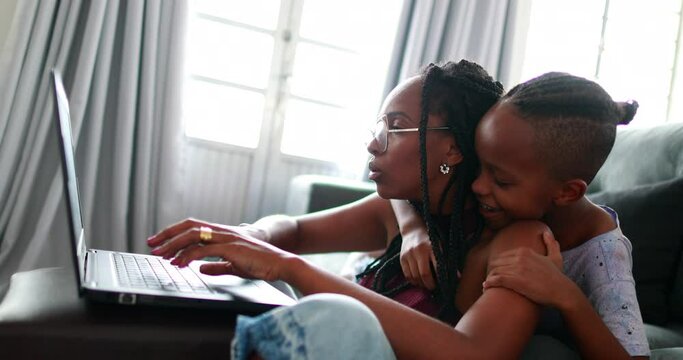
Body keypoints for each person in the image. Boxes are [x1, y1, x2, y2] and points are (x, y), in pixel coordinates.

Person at [148, 60, 554, 359]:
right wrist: (256, 236)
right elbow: (294, 229)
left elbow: (475, 355)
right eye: (379, 127)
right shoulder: (402, 211)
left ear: (452, 148)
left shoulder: (517, 242)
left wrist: (288, 266)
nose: (374, 144)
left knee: (337, 314)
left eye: (394, 127)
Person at [394, 72, 650, 358]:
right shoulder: (500, 190)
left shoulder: (602, 253)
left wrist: (567, 296)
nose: (477, 185)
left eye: (501, 180)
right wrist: (412, 228)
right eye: (480, 166)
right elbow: (401, 187)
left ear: (567, 193)